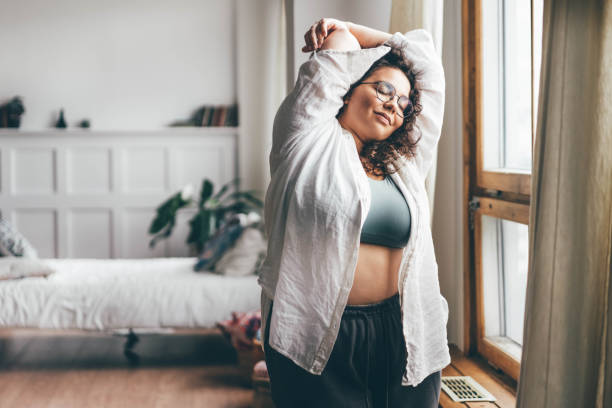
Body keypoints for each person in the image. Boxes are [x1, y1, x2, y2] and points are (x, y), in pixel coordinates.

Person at [257, 17, 450, 408]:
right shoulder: (305, 138)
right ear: (346, 89)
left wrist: (366, 32)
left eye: (402, 103)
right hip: (317, 329)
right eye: (383, 89)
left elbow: (428, 62)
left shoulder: (406, 162)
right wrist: (344, 29)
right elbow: (339, 43)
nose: (392, 105)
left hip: (403, 328)